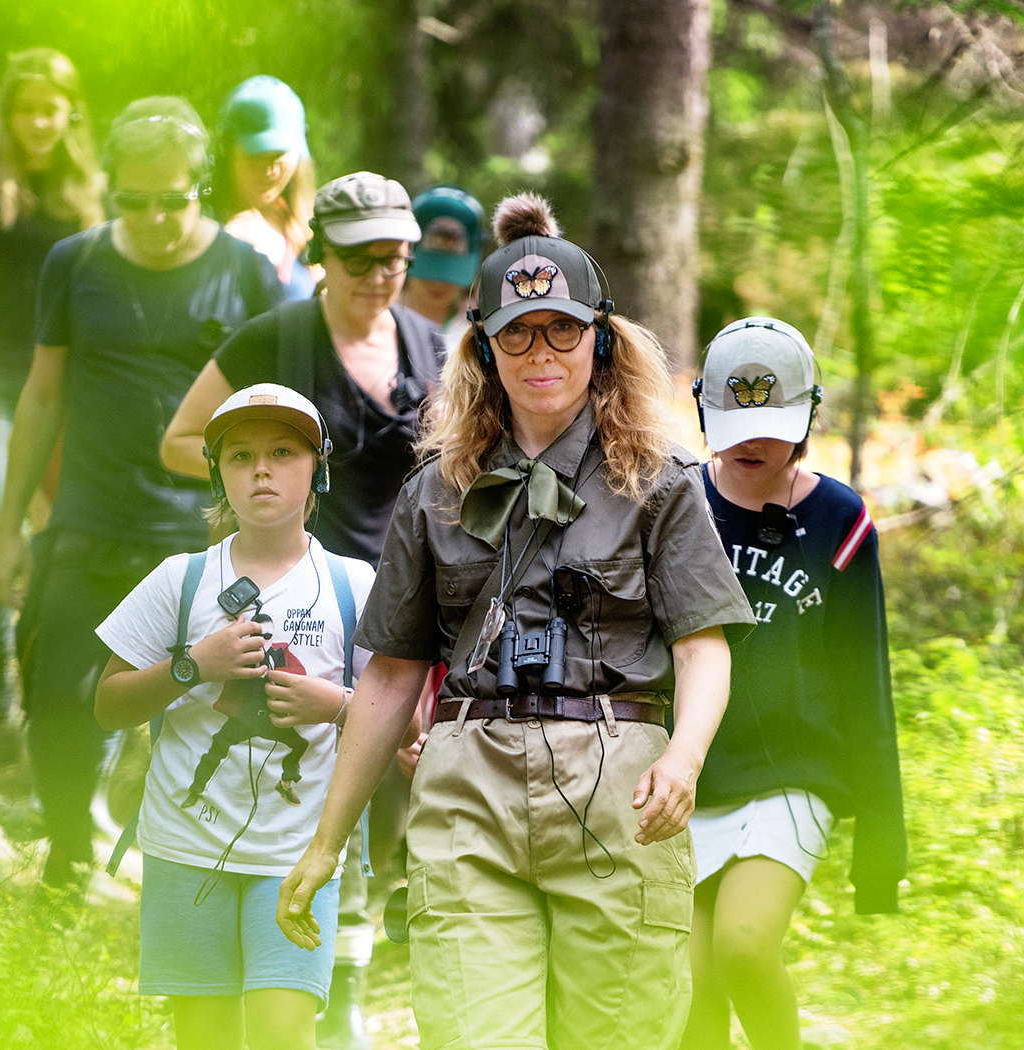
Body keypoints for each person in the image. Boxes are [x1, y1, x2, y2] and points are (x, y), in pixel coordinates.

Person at [276, 194, 756, 1050]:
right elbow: (389, 676)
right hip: (468, 786)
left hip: (617, 789)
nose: (540, 354)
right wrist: (326, 842)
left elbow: (702, 645)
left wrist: (683, 759)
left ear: (599, 338)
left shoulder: (660, 480)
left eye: (562, 330)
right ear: (482, 346)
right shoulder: (434, 490)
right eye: (517, 333)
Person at [162, 169, 442, 1048]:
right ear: (321, 254)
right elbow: (179, 439)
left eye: (395, 256)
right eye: (360, 257)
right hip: (304, 595)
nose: (379, 274)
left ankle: (344, 974)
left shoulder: (434, 345)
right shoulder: (276, 339)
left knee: (393, 781)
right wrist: (264, 480)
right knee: (315, 775)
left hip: (408, 600)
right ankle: (316, 980)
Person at [0, 96, 286, 888]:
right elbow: (41, 397)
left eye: (172, 200)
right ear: (110, 187)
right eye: (134, 200)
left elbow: (275, 415)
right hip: (87, 525)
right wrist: (7, 526)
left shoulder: (247, 272)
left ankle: (191, 878)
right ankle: (69, 861)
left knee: (199, 717)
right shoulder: (75, 262)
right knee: (57, 699)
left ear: (201, 188)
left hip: (199, 540)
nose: (153, 218)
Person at [96, 384, 374, 1050]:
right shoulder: (180, 579)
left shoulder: (354, 585)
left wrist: (333, 704)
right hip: (184, 848)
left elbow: (405, 721)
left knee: (284, 1034)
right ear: (217, 472)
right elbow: (108, 706)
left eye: (283, 453)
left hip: (301, 855)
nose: (261, 471)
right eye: (240, 456)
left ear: (317, 469)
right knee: (205, 1038)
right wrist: (194, 666)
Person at [681, 319, 906, 1050]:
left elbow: (863, 676)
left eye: (772, 426)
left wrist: (881, 842)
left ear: (809, 415)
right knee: (687, 983)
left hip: (793, 770)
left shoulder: (839, 519)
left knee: (742, 947)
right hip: (688, 771)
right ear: (704, 410)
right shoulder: (676, 503)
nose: (752, 443)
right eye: (734, 423)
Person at [0, 47, 104, 714]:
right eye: (26, 110)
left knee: (72, 526)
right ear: (8, 114)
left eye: (49, 110)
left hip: (66, 380)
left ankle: (62, 670)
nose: (37, 122)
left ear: (69, 114)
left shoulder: (89, 191)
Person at [210, 76, 317, 299]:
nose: (270, 171)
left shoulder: (307, 227)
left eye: (279, 155)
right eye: (256, 155)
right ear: (227, 150)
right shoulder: (205, 226)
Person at [400, 184, 485, 345]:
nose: (438, 282)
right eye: (428, 271)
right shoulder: (377, 318)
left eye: (450, 274)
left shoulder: (477, 334)